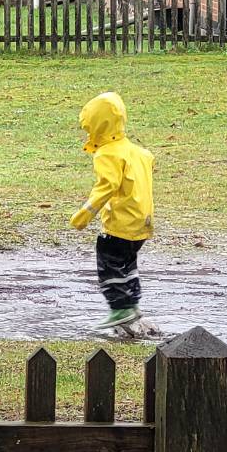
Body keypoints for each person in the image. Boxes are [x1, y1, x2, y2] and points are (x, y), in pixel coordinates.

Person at [70, 92, 154, 329]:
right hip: (142, 222)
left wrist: (85, 213)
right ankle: (133, 305)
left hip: (121, 222)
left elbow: (107, 186)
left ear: (97, 126)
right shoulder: (138, 152)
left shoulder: (107, 154)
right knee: (128, 262)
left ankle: (120, 308)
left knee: (109, 262)